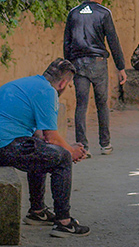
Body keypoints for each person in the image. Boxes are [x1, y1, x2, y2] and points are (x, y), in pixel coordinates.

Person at [0, 58, 90, 237]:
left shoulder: (29, 84)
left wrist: (68, 147)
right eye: (68, 84)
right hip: (6, 147)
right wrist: (71, 152)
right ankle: (64, 222)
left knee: (40, 149)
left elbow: (42, 136)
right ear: (63, 83)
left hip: (8, 143)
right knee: (62, 158)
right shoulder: (48, 92)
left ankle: (37, 212)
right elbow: (52, 136)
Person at [63, 0, 126, 157]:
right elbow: (113, 41)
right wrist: (121, 67)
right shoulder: (104, 13)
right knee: (101, 103)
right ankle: (105, 144)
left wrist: (68, 69)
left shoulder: (73, 13)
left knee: (81, 105)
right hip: (98, 63)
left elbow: (67, 42)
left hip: (78, 63)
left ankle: (82, 146)